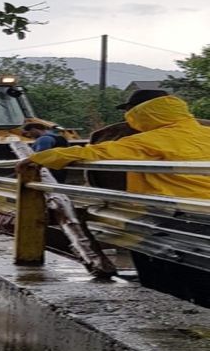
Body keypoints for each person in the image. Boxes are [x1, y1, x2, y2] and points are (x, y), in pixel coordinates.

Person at [25, 93, 210, 306]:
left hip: (176, 216)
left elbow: (93, 154)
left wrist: (36, 158)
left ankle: (180, 320)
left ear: (141, 115)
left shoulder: (148, 140)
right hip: (201, 210)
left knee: (173, 274)